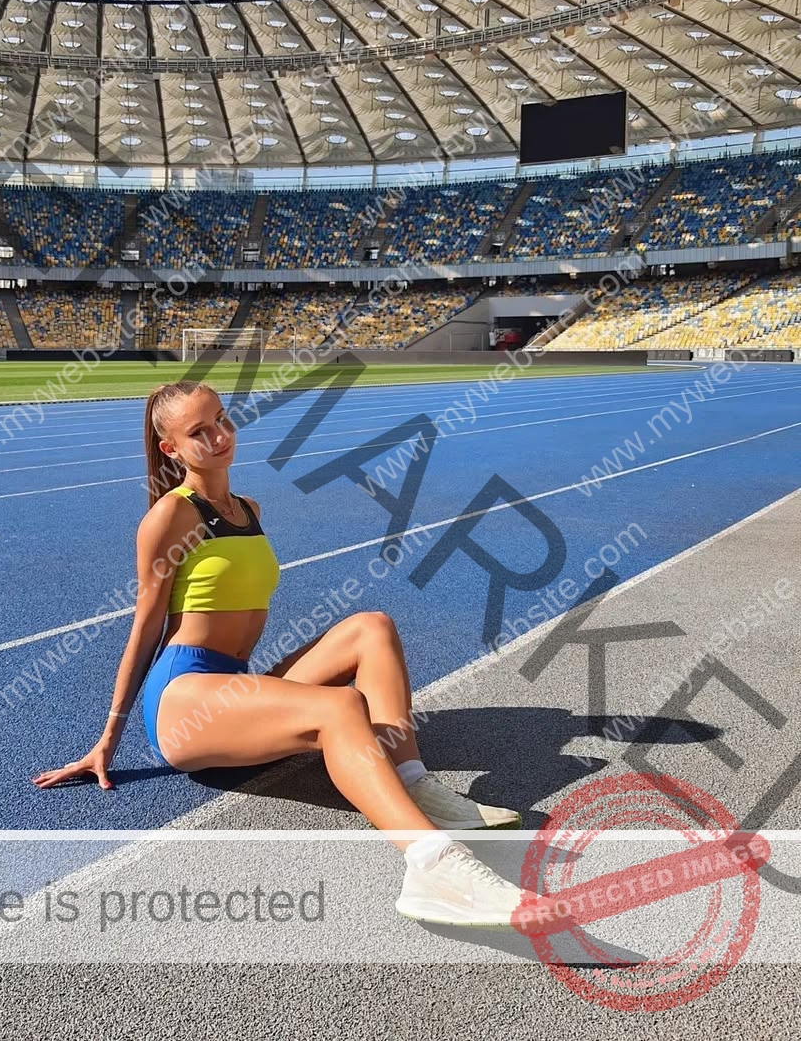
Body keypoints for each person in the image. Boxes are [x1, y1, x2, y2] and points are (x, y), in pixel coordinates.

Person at [34, 380, 543, 927]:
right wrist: (108, 737)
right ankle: (432, 868)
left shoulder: (248, 509)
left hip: (234, 684)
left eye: (222, 420)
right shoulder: (170, 517)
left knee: (372, 627)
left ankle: (417, 786)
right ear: (172, 450)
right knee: (341, 709)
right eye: (198, 432)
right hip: (186, 702)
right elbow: (145, 629)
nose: (218, 436)